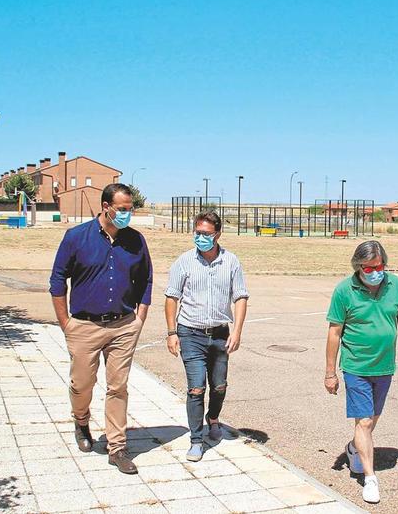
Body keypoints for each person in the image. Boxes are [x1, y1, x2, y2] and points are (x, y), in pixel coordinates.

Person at [49, 183, 152, 474]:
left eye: (130, 209)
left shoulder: (135, 241)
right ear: (106, 206)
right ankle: (81, 421)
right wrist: (65, 323)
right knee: (82, 384)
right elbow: (57, 281)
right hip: (84, 326)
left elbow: (146, 281)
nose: (127, 214)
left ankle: (117, 447)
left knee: (118, 386)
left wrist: (139, 318)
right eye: (122, 209)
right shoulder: (76, 238)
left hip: (123, 326)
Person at [324, 240, 398, 504]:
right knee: (363, 422)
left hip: (384, 366)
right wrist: (330, 372)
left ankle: (354, 448)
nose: (376, 271)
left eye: (380, 266)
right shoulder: (344, 290)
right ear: (358, 267)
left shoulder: (395, 285)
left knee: (372, 419)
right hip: (355, 366)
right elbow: (334, 333)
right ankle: (370, 478)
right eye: (370, 268)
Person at [164, 211, 249, 462]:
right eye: (198, 233)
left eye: (206, 234)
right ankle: (196, 440)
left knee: (219, 385)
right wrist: (171, 332)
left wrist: (238, 331)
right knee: (196, 387)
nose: (200, 238)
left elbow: (241, 296)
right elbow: (171, 298)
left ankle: (213, 419)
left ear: (218, 234)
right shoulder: (184, 262)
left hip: (221, 333)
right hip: (190, 332)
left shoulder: (231, 262)